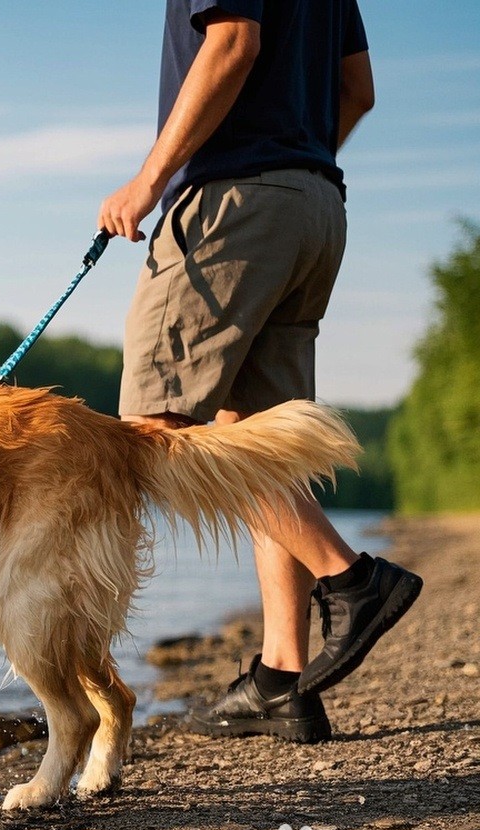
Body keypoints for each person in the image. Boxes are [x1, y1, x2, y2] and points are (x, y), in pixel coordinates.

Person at [98, 0, 422, 743]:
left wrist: (149, 181)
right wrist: (294, 156)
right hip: (314, 203)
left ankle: (353, 580)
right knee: (266, 438)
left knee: (154, 427)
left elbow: (234, 41)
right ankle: (283, 677)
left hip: (234, 205)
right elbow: (358, 90)